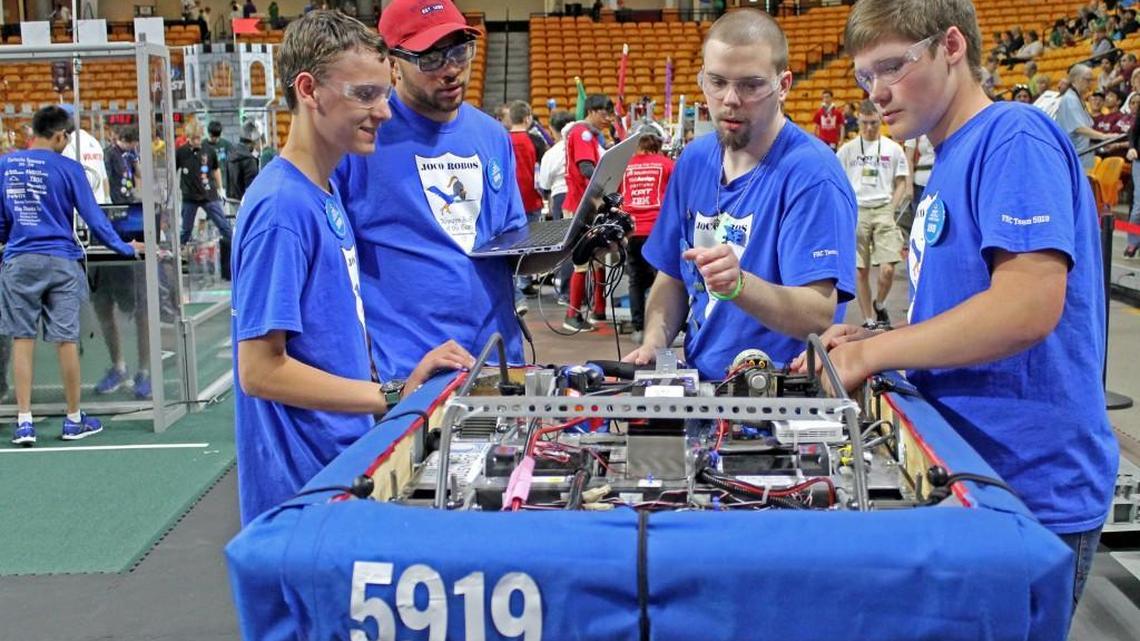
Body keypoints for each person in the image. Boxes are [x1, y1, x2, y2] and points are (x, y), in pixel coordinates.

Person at [797, 0, 1118, 616]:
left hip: (1027, 486)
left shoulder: (1012, 136)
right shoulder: (950, 156)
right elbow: (968, 310)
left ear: (951, 46)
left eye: (892, 67)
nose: (878, 93)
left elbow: (1026, 306)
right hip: (973, 471)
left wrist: (872, 352)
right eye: (865, 79)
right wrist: (880, 332)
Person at [232, 10, 473, 524]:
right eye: (365, 95)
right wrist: (390, 394)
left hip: (338, 466)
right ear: (309, 90)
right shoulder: (282, 209)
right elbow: (258, 370)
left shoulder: (323, 193)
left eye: (384, 93)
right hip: (303, 491)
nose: (384, 111)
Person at [623, 8, 856, 379]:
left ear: (784, 85)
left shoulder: (812, 175)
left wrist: (739, 285)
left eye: (751, 85)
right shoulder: (694, 160)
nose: (730, 99)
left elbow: (817, 314)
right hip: (703, 387)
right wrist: (655, 342)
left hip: (781, 395)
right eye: (717, 82)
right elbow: (672, 276)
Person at [333, 0, 527, 382]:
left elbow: (510, 242)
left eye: (459, 52)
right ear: (391, 63)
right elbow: (336, 267)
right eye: (430, 59)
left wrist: (573, 246)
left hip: (499, 359)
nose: (452, 69)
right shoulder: (361, 139)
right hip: (411, 373)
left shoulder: (492, 135)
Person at [0, 106, 142, 447]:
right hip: (62, 261)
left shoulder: (5, 165)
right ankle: (74, 418)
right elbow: (95, 219)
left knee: (22, 338)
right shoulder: (68, 168)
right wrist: (124, 248)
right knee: (65, 339)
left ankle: (23, 421)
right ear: (60, 135)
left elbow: (2, 220)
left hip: (19, 260)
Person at [836, 99, 909, 328]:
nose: (869, 128)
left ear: (881, 120)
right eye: (865, 123)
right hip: (857, 210)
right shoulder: (846, 151)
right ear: (858, 120)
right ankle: (869, 319)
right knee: (860, 270)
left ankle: (880, 303)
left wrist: (892, 207)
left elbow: (902, 183)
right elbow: (837, 183)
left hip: (883, 209)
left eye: (874, 123)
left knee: (888, 268)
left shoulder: (893, 148)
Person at [92, 125, 152, 400]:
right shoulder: (104, 155)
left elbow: (140, 178)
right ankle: (119, 367)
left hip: (130, 227)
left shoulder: (130, 156)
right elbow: (103, 188)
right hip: (105, 228)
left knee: (142, 307)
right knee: (104, 305)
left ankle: (146, 371)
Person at [562, 94, 615, 332]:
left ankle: (599, 310)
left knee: (598, 257)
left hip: (589, 206)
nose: (608, 118)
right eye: (604, 113)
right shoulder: (582, 133)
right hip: (579, 207)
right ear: (592, 110)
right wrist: (605, 190)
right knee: (582, 260)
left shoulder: (592, 136)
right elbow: (586, 168)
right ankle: (572, 314)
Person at [619, 127, 674, 345]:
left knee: (635, 280)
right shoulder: (667, 164)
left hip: (632, 230)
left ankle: (638, 327)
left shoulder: (626, 166)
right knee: (664, 281)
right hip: (657, 229)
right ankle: (663, 328)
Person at [506, 100, 545, 303]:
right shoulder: (536, 140)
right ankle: (524, 282)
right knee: (529, 245)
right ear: (528, 118)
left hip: (508, 202)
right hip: (530, 199)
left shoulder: (501, 139)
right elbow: (542, 171)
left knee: (511, 246)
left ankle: (517, 287)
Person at [176, 119, 233, 246]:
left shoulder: (209, 151)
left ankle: (236, 250)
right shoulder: (181, 152)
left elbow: (216, 169)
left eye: (198, 138)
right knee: (185, 230)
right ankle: (179, 254)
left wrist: (221, 189)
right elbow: (173, 170)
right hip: (189, 196)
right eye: (193, 139)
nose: (196, 141)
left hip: (209, 195)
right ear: (188, 137)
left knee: (224, 226)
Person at [1056, 64, 1116, 172]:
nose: (1090, 84)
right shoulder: (1070, 99)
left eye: (1091, 80)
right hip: (1075, 157)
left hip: (1082, 156)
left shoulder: (1078, 98)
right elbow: (1079, 128)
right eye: (1087, 80)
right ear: (1076, 79)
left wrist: (1098, 142)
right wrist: (1103, 136)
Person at [226, 119, 261, 201]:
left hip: (231, 201)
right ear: (252, 141)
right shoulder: (249, 160)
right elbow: (252, 189)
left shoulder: (231, 155)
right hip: (244, 203)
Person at [202, 120, 233, 194]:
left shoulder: (226, 145)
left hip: (223, 184)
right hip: (208, 184)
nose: (214, 139)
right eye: (212, 137)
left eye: (217, 137)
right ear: (208, 133)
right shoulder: (203, 145)